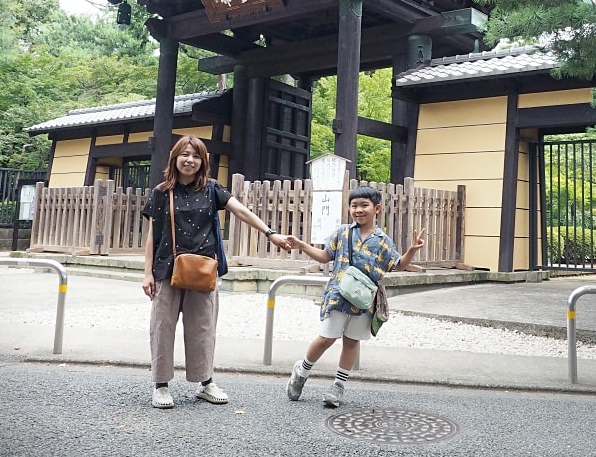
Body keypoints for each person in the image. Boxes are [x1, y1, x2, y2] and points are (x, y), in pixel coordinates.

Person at [142, 135, 290, 409]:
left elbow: (241, 212)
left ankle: (205, 382)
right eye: (185, 154)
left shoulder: (212, 189)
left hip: (203, 271)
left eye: (196, 156)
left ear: (203, 161)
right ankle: (161, 385)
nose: (190, 160)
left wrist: (270, 233)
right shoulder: (161, 192)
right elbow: (153, 234)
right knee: (162, 328)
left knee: (203, 328)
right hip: (166, 269)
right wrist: (147, 273)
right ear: (175, 158)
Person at [285, 185, 425, 407]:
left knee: (351, 342)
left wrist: (413, 250)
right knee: (326, 338)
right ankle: (301, 372)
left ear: (376, 208)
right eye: (354, 205)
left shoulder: (383, 241)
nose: (358, 210)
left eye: (364, 205)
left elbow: (398, 265)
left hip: (364, 301)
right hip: (337, 297)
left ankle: (338, 387)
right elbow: (324, 256)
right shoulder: (342, 232)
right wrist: (301, 244)